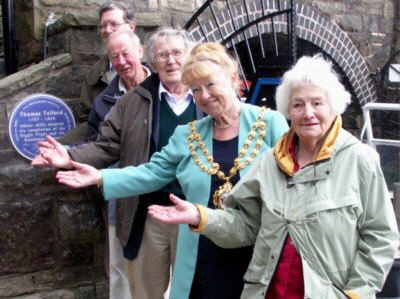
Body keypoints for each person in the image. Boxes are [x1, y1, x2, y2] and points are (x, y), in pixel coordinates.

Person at [144, 55, 399, 298]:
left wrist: (356, 294)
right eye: (298, 105)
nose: (308, 113)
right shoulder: (271, 161)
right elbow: (246, 225)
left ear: (334, 106)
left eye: (317, 103)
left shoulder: (359, 160)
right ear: (289, 110)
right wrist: (202, 217)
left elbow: (381, 236)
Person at [51, 42, 289, 298]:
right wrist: (99, 176)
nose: (204, 96)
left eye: (210, 85)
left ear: (233, 79)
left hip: (257, 250)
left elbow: (291, 184)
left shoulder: (270, 124)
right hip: (202, 254)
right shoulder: (187, 135)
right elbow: (150, 173)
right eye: (195, 90)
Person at [32, 28, 202, 299]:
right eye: (163, 55)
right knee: (144, 293)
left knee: (195, 291)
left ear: (189, 57)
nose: (170, 61)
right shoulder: (132, 101)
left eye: (177, 53)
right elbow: (105, 145)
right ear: (153, 61)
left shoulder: (207, 98)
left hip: (197, 211)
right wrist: (70, 157)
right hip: (146, 214)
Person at [33, 30, 149, 299]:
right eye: (114, 57)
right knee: (119, 267)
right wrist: (69, 155)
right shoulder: (105, 100)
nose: (121, 61)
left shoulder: (165, 88)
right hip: (118, 191)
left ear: (140, 52)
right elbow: (102, 144)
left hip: (160, 195)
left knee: (157, 271)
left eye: (126, 54)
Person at [58, 1, 136, 144]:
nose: (107, 30)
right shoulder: (94, 73)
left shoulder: (152, 66)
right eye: (103, 25)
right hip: (106, 145)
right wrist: (63, 147)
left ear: (131, 27)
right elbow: (88, 122)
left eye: (114, 24)